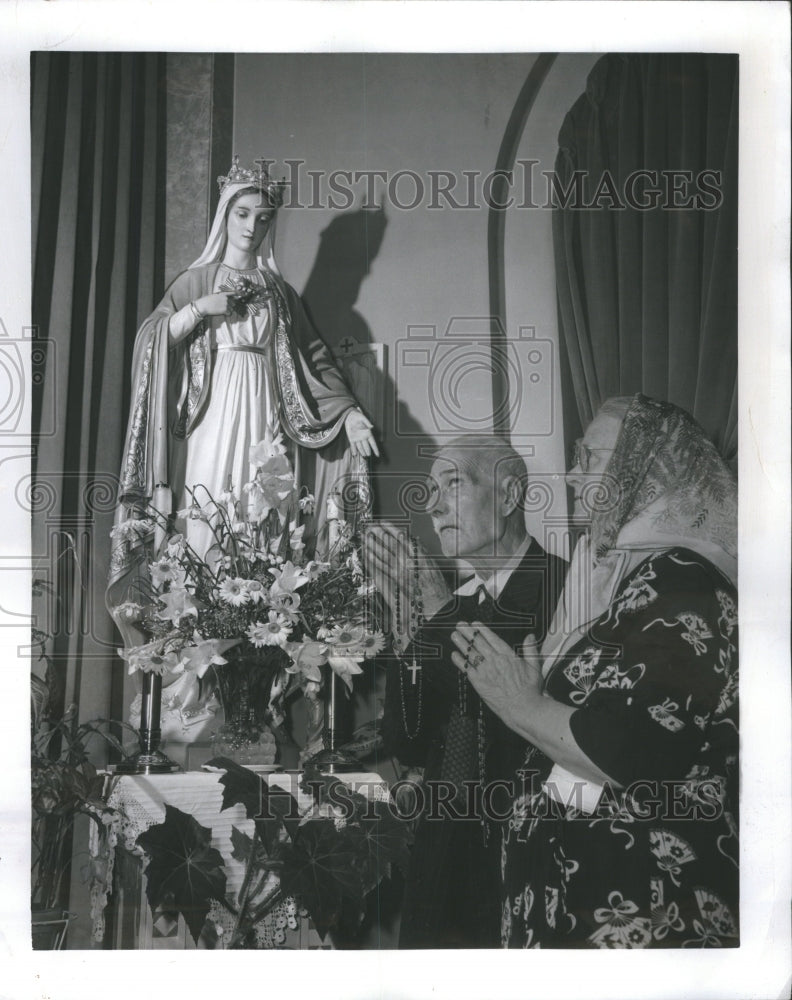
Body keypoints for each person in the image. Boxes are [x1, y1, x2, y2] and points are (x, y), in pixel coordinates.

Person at [451, 395, 739, 948]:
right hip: (580, 899)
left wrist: (522, 705)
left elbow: (630, 748)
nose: (572, 474)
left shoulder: (686, 583)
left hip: (645, 910)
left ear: (649, 470)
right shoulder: (619, 575)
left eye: (590, 457)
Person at [108, 156, 377, 641]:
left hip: (265, 415)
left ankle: (255, 638)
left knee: (265, 514)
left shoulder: (280, 292)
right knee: (206, 509)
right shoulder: (196, 281)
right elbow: (151, 340)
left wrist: (352, 414)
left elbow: (314, 359)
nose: (252, 226)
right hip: (209, 418)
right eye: (243, 214)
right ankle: (193, 646)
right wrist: (197, 310)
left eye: (263, 217)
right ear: (225, 215)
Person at [364, 435, 566, 948]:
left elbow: (500, 715)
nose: (433, 506)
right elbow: (406, 742)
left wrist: (433, 617)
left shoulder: (560, 589)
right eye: (430, 491)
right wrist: (409, 630)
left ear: (508, 495)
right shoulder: (452, 604)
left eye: (453, 484)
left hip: (520, 852)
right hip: (440, 856)